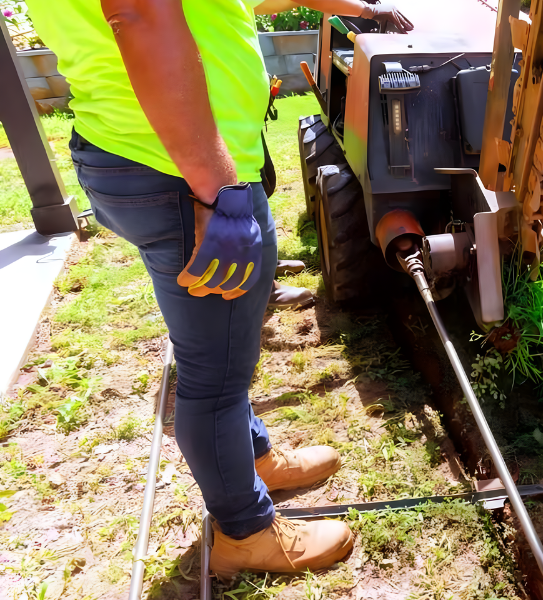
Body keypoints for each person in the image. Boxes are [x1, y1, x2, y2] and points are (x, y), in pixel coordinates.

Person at [24, 0, 412, 579]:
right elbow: (143, 15)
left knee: (221, 347)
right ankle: (246, 532)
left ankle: (253, 460)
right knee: (215, 376)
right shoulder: (202, 185)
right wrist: (216, 192)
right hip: (180, 170)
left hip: (154, 155)